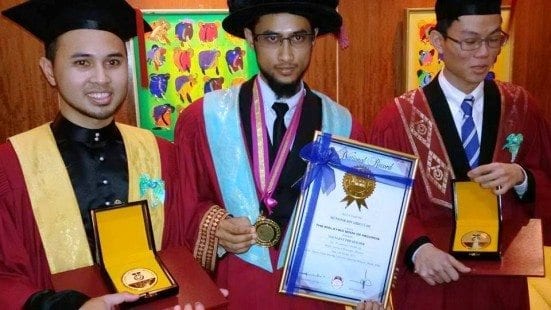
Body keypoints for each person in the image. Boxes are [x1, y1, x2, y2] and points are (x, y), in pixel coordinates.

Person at [174, 0, 383, 308]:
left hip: (312, 294)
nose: (286, 55)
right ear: (250, 37)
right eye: (272, 38)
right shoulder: (203, 119)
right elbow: (184, 205)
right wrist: (214, 224)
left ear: (313, 37)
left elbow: (360, 223)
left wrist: (365, 283)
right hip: (235, 289)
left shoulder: (345, 126)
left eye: (297, 38)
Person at [0, 0, 192, 308]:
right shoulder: (11, 166)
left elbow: (186, 243)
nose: (102, 78)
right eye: (82, 63)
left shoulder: (162, 155)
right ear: (49, 70)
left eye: (113, 62)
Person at [367, 0, 551, 309]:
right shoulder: (397, 119)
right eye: (469, 41)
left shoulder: (521, 107)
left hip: (502, 281)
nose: (484, 53)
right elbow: (382, 203)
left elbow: (545, 176)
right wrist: (416, 248)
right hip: (431, 279)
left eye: (494, 39)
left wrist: (522, 178)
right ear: (438, 41)